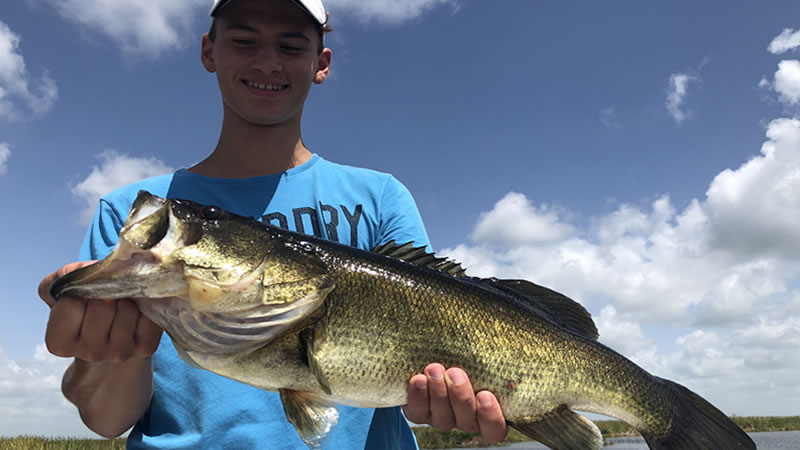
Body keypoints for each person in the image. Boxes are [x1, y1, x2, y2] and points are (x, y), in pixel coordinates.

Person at [37, 0, 507, 448]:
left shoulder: (380, 198)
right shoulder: (131, 215)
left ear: (320, 63)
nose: (267, 61)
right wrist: (106, 353)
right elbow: (107, 420)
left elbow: (420, 374)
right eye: (244, 40)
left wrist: (451, 399)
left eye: (290, 46)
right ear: (209, 51)